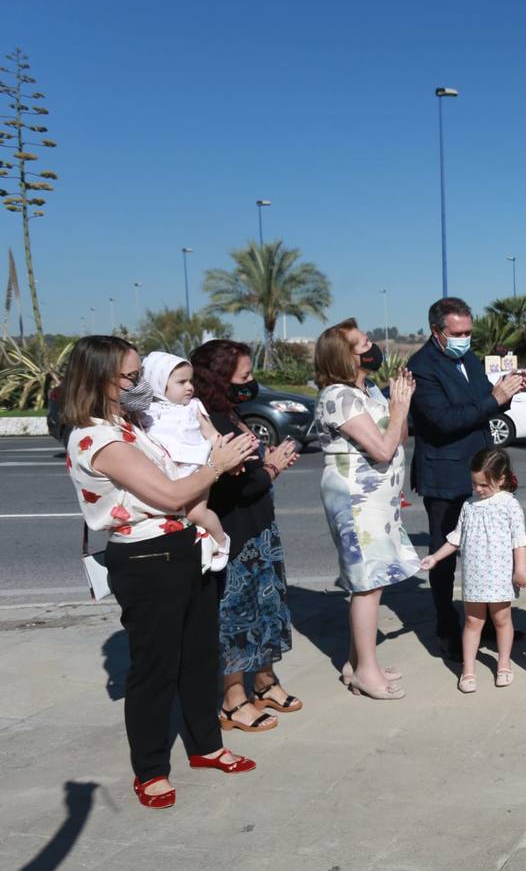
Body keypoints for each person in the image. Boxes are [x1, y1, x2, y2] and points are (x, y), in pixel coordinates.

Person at [62, 336, 256, 809]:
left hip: (185, 545)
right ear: (99, 376)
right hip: (148, 558)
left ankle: (206, 745)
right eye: (129, 377)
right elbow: (168, 496)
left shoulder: (126, 424)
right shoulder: (97, 437)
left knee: (199, 654)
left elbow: (178, 477)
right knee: (155, 668)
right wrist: (216, 464)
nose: (137, 385)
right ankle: (150, 769)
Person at [191, 339, 302, 733]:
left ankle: (265, 680)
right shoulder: (206, 421)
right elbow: (224, 487)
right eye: (244, 376)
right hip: (233, 532)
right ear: (219, 378)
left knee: (266, 607)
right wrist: (270, 470)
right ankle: (233, 700)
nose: (251, 382)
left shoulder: (229, 412)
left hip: (259, 527)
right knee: (235, 616)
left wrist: (268, 465)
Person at [409, 297, 526, 660]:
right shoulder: (421, 367)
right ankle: (448, 629)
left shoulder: (469, 359)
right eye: (457, 333)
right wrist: (494, 399)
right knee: (445, 556)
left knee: (490, 551)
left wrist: (508, 391)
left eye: (468, 332)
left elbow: (480, 403)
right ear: (437, 332)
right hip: (445, 475)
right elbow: (445, 420)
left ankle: (491, 623)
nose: (465, 338)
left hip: (483, 472)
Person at [315, 319, 421, 700]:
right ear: (344, 356)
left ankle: (356, 662)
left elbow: (399, 436)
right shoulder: (337, 396)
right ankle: (366, 672)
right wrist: (398, 409)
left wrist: (399, 407)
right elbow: (380, 449)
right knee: (368, 583)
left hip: (378, 499)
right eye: (362, 345)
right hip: (356, 498)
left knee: (370, 580)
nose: (371, 347)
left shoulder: (367, 390)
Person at [421, 448, 526, 693]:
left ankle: (503, 663)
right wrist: (435, 558)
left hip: (500, 574)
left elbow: (519, 540)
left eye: (484, 484)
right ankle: (468, 670)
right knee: (472, 621)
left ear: (501, 479)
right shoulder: (469, 505)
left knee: (502, 619)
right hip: (474, 575)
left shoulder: (509, 505)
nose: (478, 489)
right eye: (475, 483)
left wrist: (521, 569)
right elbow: (455, 538)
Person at [137, 351, 231, 571]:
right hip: (166, 472)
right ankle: (198, 547)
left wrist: (224, 449)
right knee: (175, 517)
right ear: (158, 383)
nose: (189, 387)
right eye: (181, 382)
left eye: (191, 381)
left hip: (196, 468)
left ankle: (221, 541)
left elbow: (212, 434)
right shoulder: (146, 412)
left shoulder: (194, 407)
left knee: (196, 513)